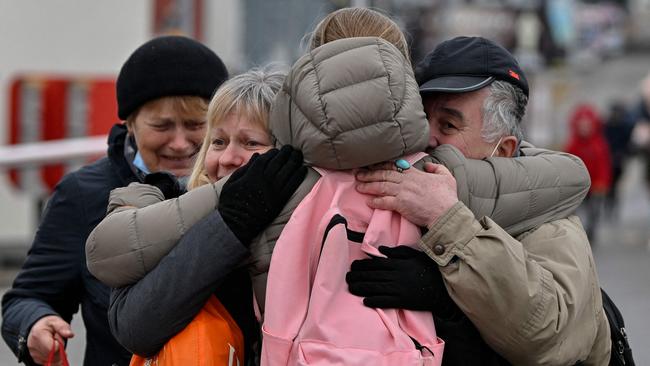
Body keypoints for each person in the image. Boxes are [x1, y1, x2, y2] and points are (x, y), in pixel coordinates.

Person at [87, 8, 593, 364]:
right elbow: (138, 320)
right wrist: (228, 222)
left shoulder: (483, 197)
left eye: (449, 124)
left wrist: (448, 266)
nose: (433, 140)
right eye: (218, 140)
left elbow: (548, 338)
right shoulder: (272, 186)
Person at [348, 36, 611, 365]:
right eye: (420, 120)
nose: (426, 138)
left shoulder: (552, 226)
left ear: (503, 150)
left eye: (448, 124)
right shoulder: (398, 196)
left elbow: (545, 336)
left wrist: (447, 227)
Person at [1, 35, 228, 366]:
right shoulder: (83, 194)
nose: (180, 143)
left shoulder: (245, 184)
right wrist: (34, 323)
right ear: (130, 123)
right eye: (162, 126)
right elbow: (26, 299)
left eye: (196, 126)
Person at [87, 68, 306, 365]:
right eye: (218, 142)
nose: (227, 157)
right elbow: (135, 327)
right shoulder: (159, 195)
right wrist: (228, 224)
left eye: (251, 143)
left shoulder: (319, 223)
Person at [565, 103, 612, 241]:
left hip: (595, 185)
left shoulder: (599, 144)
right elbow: (568, 164)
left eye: (587, 125)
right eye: (582, 125)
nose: (585, 128)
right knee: (576, 211)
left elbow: (604, 165)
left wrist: (603, 182)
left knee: (594, 211)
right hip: (578, 185)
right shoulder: (573, 143)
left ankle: (591, 231)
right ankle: (578, 231)